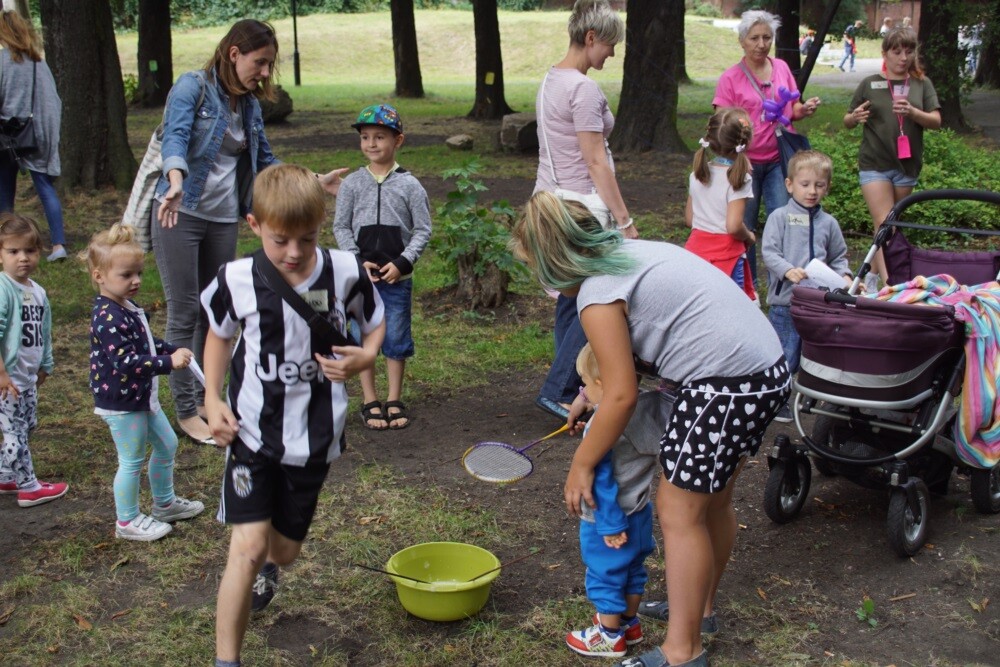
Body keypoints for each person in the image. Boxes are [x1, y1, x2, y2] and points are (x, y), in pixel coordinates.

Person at [511, 192, 790, 667]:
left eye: (534, 267)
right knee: (713, 501)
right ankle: (698, 613)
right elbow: (633, 363)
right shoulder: (631, 255)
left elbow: (620, 396)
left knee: (677, 510)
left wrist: (582, 464)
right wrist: (583, 397)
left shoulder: (597, 295)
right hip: (766, 370)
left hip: (724, 386)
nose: (541, 281)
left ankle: (683, 651)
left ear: (554, 260)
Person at [201, 164, 384, 667]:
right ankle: (226, 660)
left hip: (315, 441)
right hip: (252, 433)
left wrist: (367, 356)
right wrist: (213, 398)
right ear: (254, 224)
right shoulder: (235, 279)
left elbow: (375, 323)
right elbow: (219, 333)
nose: (294, 253)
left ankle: (271, 565)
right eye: (281, 239)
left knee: (281, 552)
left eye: (307, 238)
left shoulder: (346, 270)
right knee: (248, 544)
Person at [152, 19, 345, 446]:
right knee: (184, 309)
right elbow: (176, 138)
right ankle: (186, 410)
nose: (264, 73)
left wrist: (312, 179)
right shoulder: (192, 87)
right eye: (260, 62)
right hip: (179, 209)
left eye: (270, 65)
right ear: (234, 52)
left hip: (222, 216)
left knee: (213, 309)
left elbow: (266, 162)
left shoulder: (249, 106)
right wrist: (176, 178)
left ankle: (209, 399)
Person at [533, 0, 637, 422]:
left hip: (552, 202)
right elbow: (595, 161)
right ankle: (559, 387)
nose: (612, 54)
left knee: (570, 299)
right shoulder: (581, 88)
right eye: (609, 45)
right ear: (590, 38)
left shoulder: (552, 79)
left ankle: (571, 388)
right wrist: (626, 222)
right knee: (602, 292)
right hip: (582, 210)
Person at [84, 224, 205, 541]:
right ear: (99, 276)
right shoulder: (107, 316)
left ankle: (164, 504)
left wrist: (170, 350)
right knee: (131, 461)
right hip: (122, 404)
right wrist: (168, 363)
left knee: (167, 444)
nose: (135, 280)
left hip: (141, 398)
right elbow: (124, 361)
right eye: (126, 275)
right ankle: (127, 521)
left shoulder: (127, 307)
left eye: (138, 273)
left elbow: (147, 344)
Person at [333, 104, 431, 431]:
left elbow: (423, 230)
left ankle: (393, 398)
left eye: (379, 137)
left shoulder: (410, 185)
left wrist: (403, 263)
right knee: (364, 337)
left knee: (396, 336)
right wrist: (357, 260)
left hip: (396, 279)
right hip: (361, 280)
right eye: (365, 137)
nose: (371, 144)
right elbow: (341, 226)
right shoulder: (351, 185)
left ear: (398, 140)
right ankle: (370, 399)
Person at [565, 343, 662, 658]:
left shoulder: (601, 429)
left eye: (585, 384)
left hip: (607, 518)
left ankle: (608, 636)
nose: (583, 391)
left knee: (604, 574)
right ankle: (629, 625)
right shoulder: (646, 409)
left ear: (604, 384)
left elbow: (602, 479)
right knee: (634, 569)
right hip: (639, 510)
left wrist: (609, 524)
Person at [713, 10, 821, 283]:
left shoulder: (782, 68)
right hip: (744, 163)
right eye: (755, 38)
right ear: (742, 41)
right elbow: (721, 124)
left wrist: (803, 109)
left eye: (767, 37)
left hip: (779, 161)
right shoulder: (730, 78)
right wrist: (738, 154)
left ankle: (783, 282)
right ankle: (746, 285)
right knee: (744, 226)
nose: (761, 44)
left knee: (783, 222)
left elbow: (791, 109)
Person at [844, 26, 940, 292]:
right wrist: (855, 118)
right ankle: (891, 286)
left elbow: (936, 121)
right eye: (896, 51)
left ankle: (869, 277)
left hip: (906, 166)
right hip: (874, 164)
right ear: (885, 53)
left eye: (909, 51)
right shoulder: (870, 83)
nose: (903, 57)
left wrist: (913, 112)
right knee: (886, 223)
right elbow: (848, 119)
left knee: (890, 225)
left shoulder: (922, 83)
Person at [761, 151, 852, 422]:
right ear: (789, 185)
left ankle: (809, 393)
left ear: (827, 187)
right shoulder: (780, 217)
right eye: (805, 184)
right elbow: (769, 252)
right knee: (786, 353)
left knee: (816, 352)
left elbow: (839, 256)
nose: (812, 191)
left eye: (819, 185)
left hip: (820, 304)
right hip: (787, 302)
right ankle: (776, 400)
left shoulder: (829, 223)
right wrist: (787, 270)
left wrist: (844, 275)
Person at [0, 212, 66, 506]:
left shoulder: (37, 291)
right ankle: (28, 487)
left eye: (30, 250)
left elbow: (44, 330)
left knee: (27, 425)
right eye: (13, 251)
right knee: (14, 431)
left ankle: (5, 475)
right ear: (1, 255)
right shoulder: (3, 289)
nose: (22, 258)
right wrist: (1, 374)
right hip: (7, 380)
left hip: (27, 377)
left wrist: (46, 364)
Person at [0, 10, 67, 262]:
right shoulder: (38, 61)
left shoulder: (2, 61)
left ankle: (7, 244)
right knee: (45, 187)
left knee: (5, 191)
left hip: (8, 138)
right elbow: (52, 101)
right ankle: (59, 245)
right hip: (36, 135)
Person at [683, 107, 757, 300]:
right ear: (746, 142)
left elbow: (690, 219)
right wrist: (748, 236)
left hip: (695, 252)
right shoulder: (738, 180)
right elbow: (733, 226)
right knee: (731, 310)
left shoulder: (697, 174)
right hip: (727, 256)